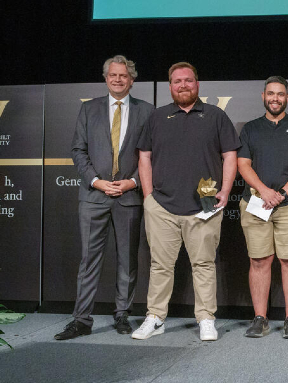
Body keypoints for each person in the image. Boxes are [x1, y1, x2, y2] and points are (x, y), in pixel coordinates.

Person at [131, 62, 240, 341]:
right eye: (177, 81)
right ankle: (155, 317)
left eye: (188, 81)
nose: (183, 85)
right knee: (160, 265)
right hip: (162, 207)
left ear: (197, 84)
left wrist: (225, 190)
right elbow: (144, 157)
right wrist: (148, 197)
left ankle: (206, 319)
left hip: (204, 207)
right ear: (170, 87)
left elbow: (230, 155)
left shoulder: (215, 116)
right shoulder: (156, 117)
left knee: (204, 265)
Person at [56, 55, 154, 340]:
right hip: (93, 197)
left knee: (127, 259)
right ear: (106, 78)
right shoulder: (89, 110)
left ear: (132, 80)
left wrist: (132, 182)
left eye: (123, 75)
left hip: (129, 196)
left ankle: (122, 314)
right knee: (89, 260)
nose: (118, 79)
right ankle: (81, 319)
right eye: (113, 75)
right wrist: (97, 182)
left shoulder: (147, 111)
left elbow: (151, 154)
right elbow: (78, 151)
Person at [237, 76, 288, 339]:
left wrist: (281, 193)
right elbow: (243, 165)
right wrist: (266, 192)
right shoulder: (250, 129)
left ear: (287, 98)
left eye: (280, 94)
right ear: (263, 96)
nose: (275, 98)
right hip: (256, 202)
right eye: (271, 94)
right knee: (259, 261)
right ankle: (260, 318)